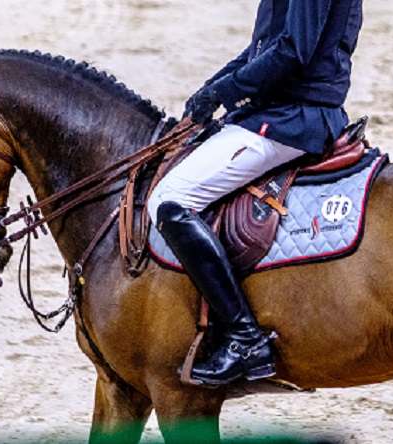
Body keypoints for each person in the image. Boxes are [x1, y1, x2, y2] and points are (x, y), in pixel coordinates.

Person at [147, 0, 364, 385]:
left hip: (291, 119)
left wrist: (226, 92)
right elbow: (262, 48)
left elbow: (293, 52)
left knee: (171, 198)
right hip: (278, 110)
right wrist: (214, 88)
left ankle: (245, 338)